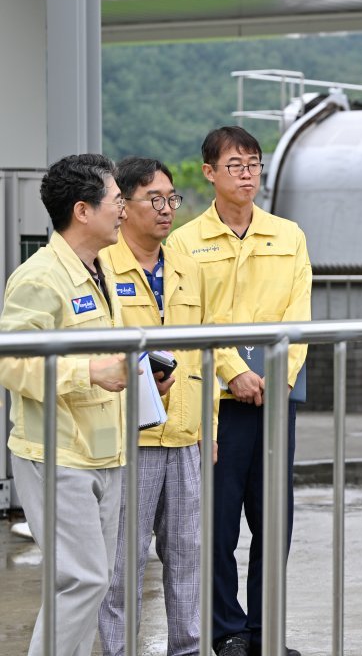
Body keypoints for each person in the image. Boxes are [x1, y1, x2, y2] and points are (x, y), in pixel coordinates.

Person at [168, 127, 311, 656]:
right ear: (209, 172)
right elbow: (194, 317)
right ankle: (226, 630)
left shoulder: (288, 236)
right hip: (216, 402)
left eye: (254, 163)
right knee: (219, 521)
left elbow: (299, 314)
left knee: (274, 521)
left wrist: (281, 376)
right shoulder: (185, 242)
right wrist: (231, 371)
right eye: (235, 165)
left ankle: (265, 631)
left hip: (276, 399)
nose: (247, 174)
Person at [0, 154, 151, 656]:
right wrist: (88, 372)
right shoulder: (39, 278)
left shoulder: (102, 269)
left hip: (105, 449)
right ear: (83, 210)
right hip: (58, 452)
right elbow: (11, 363)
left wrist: (142, 378)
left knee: (93, 579)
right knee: (83, 579)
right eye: (116, 201)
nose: (124, 212)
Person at [97, 157, 213, 656]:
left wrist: (209, 427)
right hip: (131, 437)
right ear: (123, 205)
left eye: (172, 199)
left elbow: (206, 352)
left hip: (185, 435)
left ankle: (188, 649)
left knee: (188, 556)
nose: (167, 209)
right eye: (154, 199)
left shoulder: (189, 269)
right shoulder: (103, 267)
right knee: (123, 563)